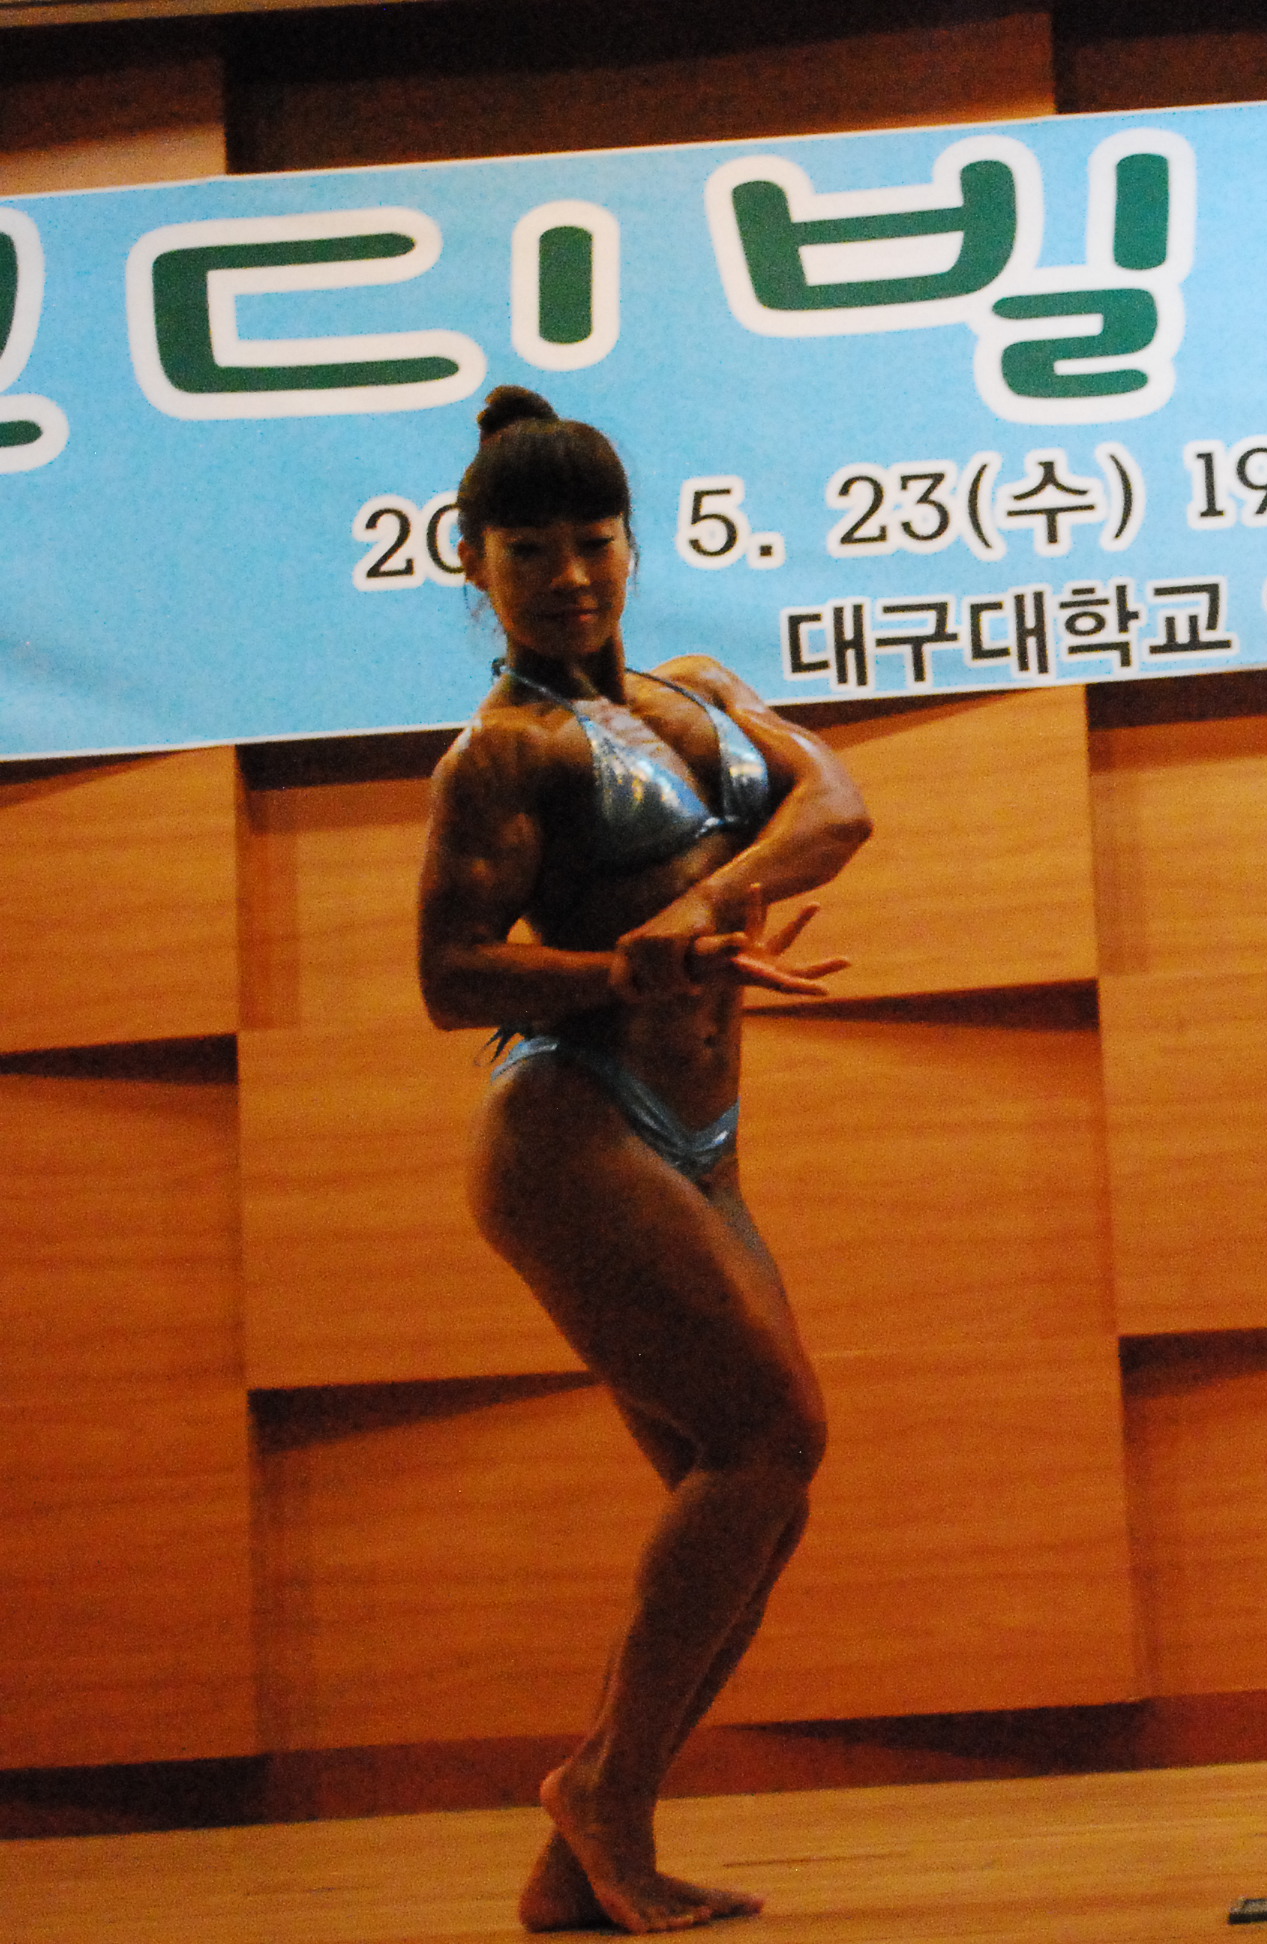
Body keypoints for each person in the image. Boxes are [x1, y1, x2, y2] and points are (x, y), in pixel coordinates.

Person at [417, 386, 872, 1932]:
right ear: (472, 564)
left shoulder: (698, 691)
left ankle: (582, 1860)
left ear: (631, 542)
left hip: (702, 1139)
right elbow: (451, 977)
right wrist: (628, 967)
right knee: (773, 1435)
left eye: (593, 541)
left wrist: (695, 911)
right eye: (528, 551)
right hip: (568, 1126)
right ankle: (600, 1790)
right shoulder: (502, 754)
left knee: (755, 1492)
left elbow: (838, 807)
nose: (569, 576)